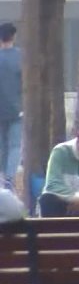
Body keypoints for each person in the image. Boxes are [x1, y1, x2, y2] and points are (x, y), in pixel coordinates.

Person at [38, 119, 79, 217]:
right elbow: (52, 185)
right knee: (48, 199)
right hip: (60, 204)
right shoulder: (60, 152)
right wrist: (78, 198)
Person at [0, 22, 19, 187]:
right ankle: (9, 179)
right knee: (15, 145)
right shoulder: (21, 56)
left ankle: (2, 176)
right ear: (13, 36)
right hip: (17, 109)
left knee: (2, 146)